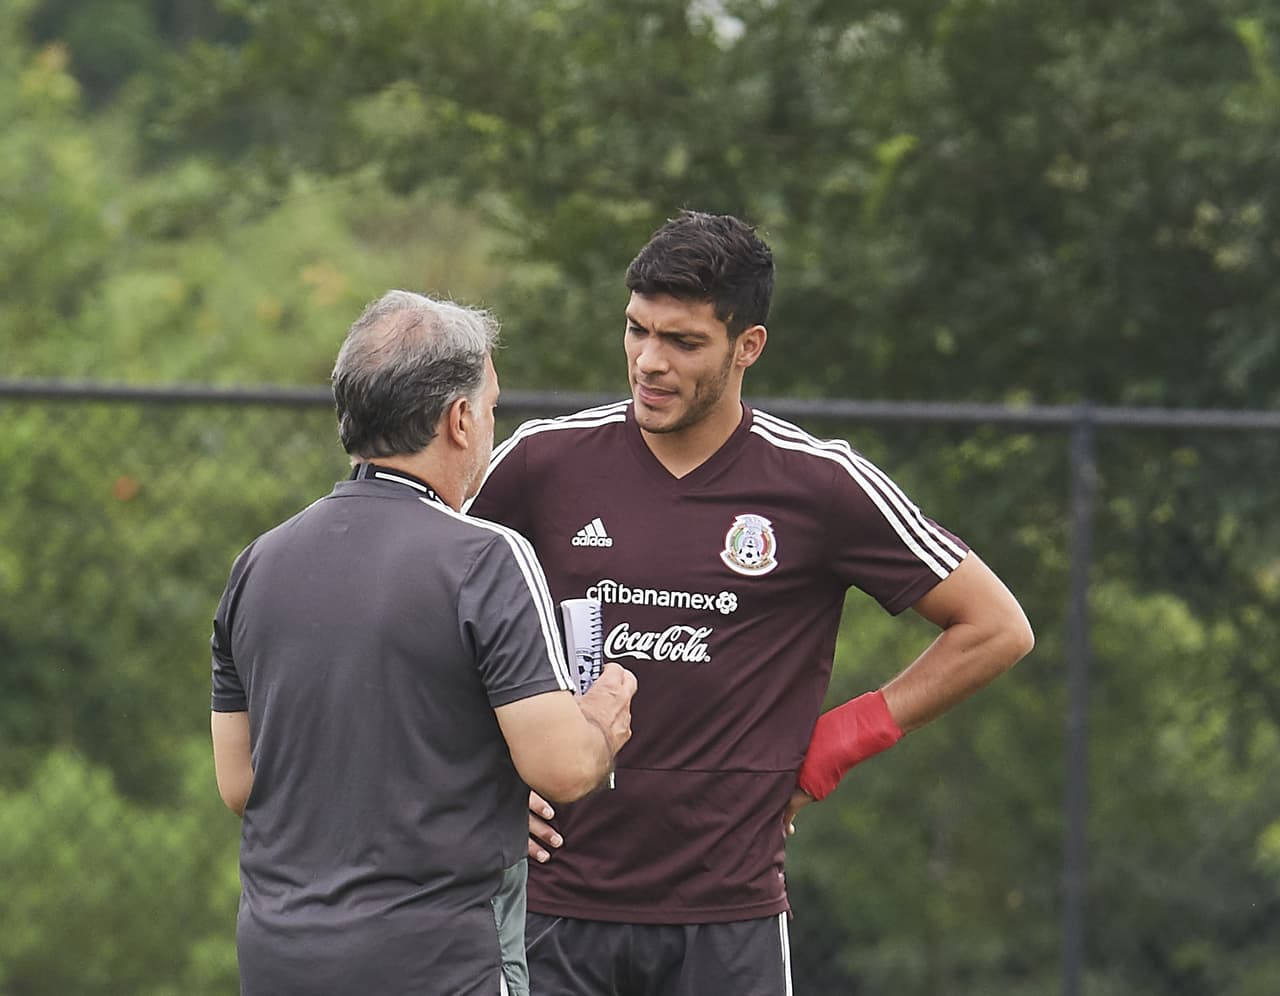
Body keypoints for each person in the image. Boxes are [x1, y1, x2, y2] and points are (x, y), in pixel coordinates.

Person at [466, 212, 1035, 995]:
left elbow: (996, 627)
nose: (649, 362)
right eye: (637, 331)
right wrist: (487, 771)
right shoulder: (541, 461)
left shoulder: (819, 484)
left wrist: (834, 746)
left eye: (684, 342)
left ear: (748, 347)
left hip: (728, 917)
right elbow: (424, 619)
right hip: (553, 908)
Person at [209, 290, 637, 996]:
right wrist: (604, 712)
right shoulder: (487, 556)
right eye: (492, 406)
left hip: (277, 955)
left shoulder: (259, 561)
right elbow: (563, 770)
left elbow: (241, 784)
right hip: (433, 961)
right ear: (460, 419)